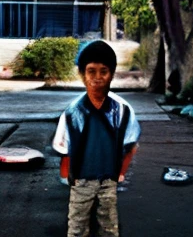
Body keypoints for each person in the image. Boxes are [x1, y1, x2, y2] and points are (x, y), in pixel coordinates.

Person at [52, 40, 141, 237]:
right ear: (83, 74)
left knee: (109, 227)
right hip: (81, 181)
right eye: (91, 71)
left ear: (112, 74)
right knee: (77, 228)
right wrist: (69, 180)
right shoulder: (73, 113)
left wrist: (120, 174)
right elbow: (64, 151)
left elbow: (131, 146)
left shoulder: (122, 111)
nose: (97, 77)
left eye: (104, 71)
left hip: (108, 180)